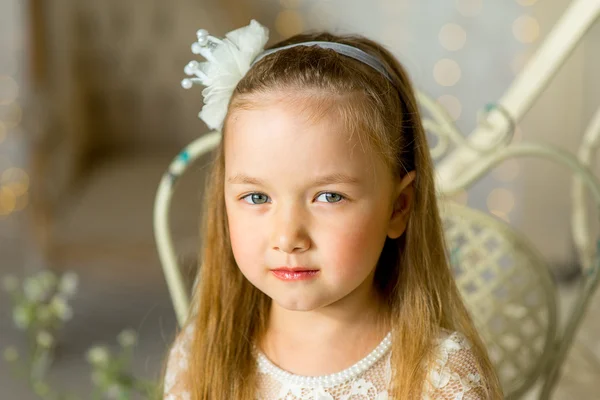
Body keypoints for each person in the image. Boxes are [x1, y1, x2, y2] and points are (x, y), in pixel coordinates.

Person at [163, 20, 502, 399]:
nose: (288, 237)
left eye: (329, 197)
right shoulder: (201, 357)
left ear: (398, 207)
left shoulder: (440, 376)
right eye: (258, 197)